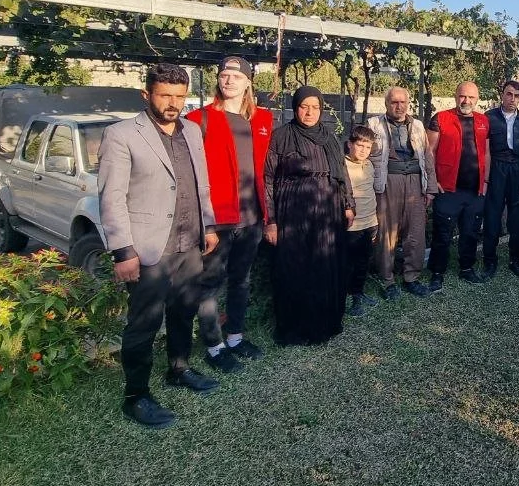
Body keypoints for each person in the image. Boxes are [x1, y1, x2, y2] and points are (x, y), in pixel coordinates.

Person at [99, 63, 220, 429]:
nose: (173, 104)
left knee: (184, 310)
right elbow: (111, 196)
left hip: (190, 241)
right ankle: (136, 395)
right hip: (149, 247)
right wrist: (123, 250)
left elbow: (202, 183)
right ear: (147, 94)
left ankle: (179, 368)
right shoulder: (121, 134)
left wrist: (209, 224)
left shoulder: (193, 131)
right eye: (165, 95)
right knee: (144, 323)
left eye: (180, 97)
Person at [186, 56, 273, 372]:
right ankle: (214, 345)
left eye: (236, 75)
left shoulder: (262, 119)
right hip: (218, 220)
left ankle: (235, 336)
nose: (229, 79)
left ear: (248, 81)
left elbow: (267, 170)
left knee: (241, 280)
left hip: (251, 218)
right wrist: (204, 221)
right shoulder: (199, 119)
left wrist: (269, 216)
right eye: (224, 74)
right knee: (209, 285)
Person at [263, 87, 354, 345]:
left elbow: (342, 173)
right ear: (295, 107)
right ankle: (295, 329)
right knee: (295, 267)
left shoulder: (330, 137)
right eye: (304, 106)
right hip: (293, 210)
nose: (310, 112)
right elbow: (267, 179)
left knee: (325, 265)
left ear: (322, 109)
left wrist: (348, 204)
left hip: (328, 208)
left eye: (315, 106)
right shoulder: (281, 136)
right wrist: (270, 220)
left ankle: (325, 324)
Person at [368, 87, 437, 299]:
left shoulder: (417, 126)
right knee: (387, 232)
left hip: (415, 182)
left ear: (409, 104)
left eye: (402, 103)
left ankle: (411, 277)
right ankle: (387, 279)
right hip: (388, 182)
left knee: (415, 232)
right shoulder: (373, 125)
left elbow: (427, 157)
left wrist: (431, 189)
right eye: (394, 103)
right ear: (386, 104)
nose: (399, 107)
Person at [426, 81, 489, 292]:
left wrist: (486, 182)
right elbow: (429, 151)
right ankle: (437, 272)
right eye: (463, 96)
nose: (466, 101)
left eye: (471, 97)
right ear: (455, 96)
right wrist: (433, 181)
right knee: (442, 234)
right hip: (447, 189)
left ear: (477, 99)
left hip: (474, 190)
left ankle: (466, 268)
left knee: (470, 232)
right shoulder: (441, 118)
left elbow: (487, 153)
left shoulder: (483, 121)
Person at [483, 79, 519, 278]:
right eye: (509, 94)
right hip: (497, 168)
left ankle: (516, 261)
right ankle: (489, 261)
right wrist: (484, 179)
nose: (512, 99)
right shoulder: (489, 118)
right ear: (502, 94)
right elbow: (483, 149)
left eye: (517, 96)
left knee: (518, 219)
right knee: (492, 216)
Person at [343, 125, 381, 317]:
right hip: (353, 226)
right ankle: (349, 297)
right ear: (350, 144)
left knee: (364, 260)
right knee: (350, 262)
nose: (364, 151)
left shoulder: (369, 164)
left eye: (368, 147)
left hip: (370, 221)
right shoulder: (342, 166)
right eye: (360, 146)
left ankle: (359, 292)